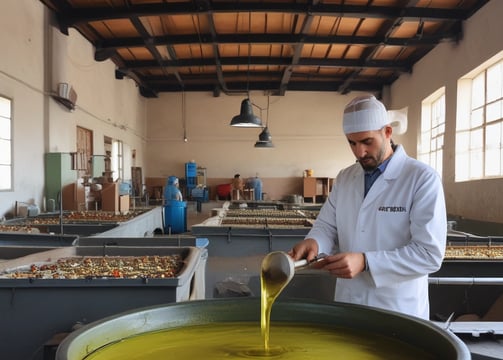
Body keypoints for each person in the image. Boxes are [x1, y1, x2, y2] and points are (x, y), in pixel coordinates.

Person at [289, 94, 447, 320]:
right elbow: (326, 226)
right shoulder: (345, 178)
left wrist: (366, 262)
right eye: (352, 143)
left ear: (387, 132)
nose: (358, 152)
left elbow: (429, 254)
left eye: (366, 142)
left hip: (397, 308)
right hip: (349, 301)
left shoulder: (421, 178)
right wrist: (314, 242)